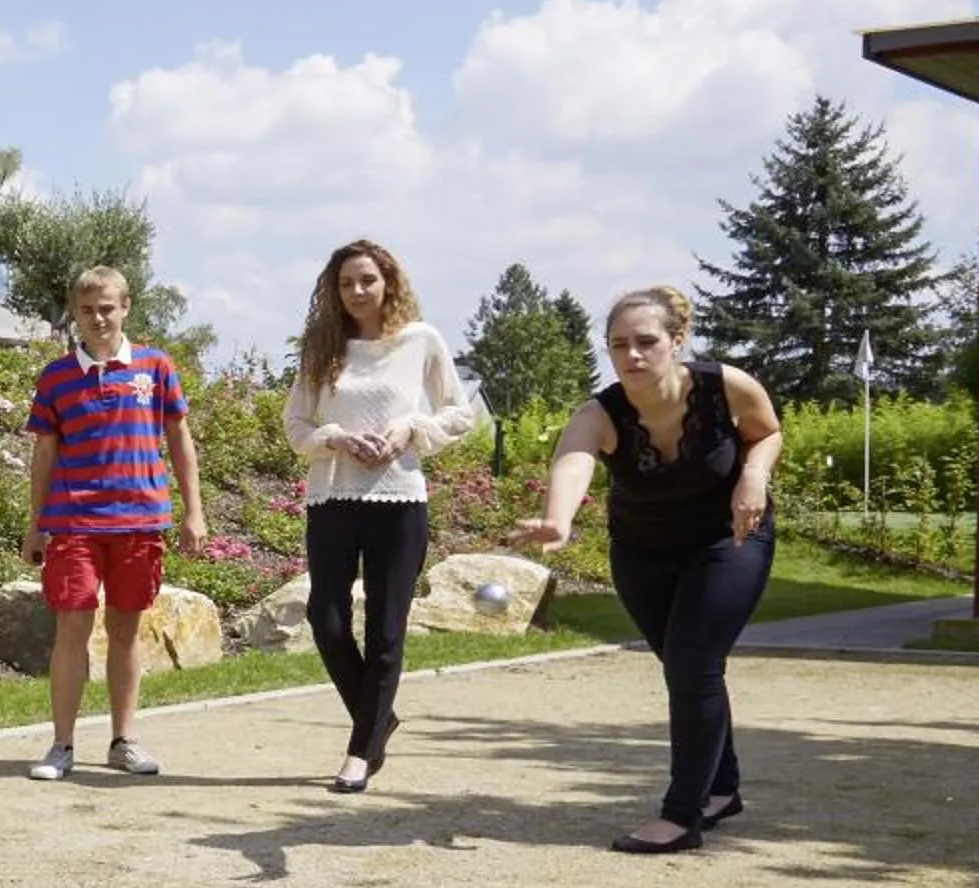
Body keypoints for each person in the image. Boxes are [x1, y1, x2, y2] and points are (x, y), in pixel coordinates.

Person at [512, 285, 783, 854]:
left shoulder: (725, 387)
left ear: (676, 341)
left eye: (646, 342)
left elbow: (767, 433)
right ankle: (722, 788)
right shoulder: (600, 413)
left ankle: (682, 815)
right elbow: (574, 458)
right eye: (619, 345)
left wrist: (754, 476)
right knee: (691, 670)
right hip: (642, 553)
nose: (632, 355)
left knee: (693, 665)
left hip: (728, 537)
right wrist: (557, 521)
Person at [281, 240, 483, 793]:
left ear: (388, 281)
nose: (357, 291)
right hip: (332, 499)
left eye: (367, 280)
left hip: (399, 499)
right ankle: (377, 720)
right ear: (334, 289)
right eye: (347, 283)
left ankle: (360, 752)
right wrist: (336, 437)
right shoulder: (321, 348)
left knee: (385, 631)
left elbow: (459, 413)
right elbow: (296, 427)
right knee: (326, 619)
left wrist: (408, 431)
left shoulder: (421, 340)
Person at [22, 265, 208, 781]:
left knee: (126, 633)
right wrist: (35, 524)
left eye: (107, 308)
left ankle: (123, 740)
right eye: (87, 310)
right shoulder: (57, 377)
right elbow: (44, 453)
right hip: (73, 522)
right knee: (72, 628)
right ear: (75, 314)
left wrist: (194, 512)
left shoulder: (155, 367)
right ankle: (62, 745)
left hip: (139, 521)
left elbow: (180, 442)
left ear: (125, 307)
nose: (98, 318)